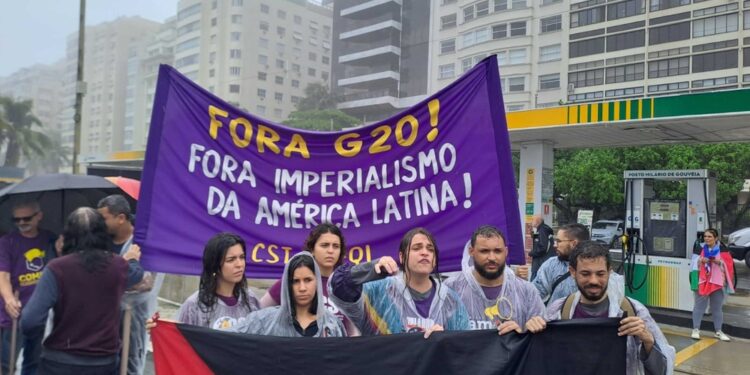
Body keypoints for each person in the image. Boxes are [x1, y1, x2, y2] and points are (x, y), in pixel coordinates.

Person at [20, 207, 144, 374]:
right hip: (103, 362)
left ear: (68, 235)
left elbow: (30, 321)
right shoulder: (117, 265)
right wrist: (133, 260)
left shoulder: (57, 268)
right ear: (103, 232)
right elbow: (136, 275)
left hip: (59, 361)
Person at [530, 241, 675, 375]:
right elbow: (541, 361)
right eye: (585, 274)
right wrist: (531, 331)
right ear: (573, 272)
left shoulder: (633, 311)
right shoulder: (559, 311)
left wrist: (648, 341)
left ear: (609, 272)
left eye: (600, 274)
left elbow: (661, 371)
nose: (594, 280)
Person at [329, 227, 469, 336]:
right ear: (401, 257)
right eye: (417, 248)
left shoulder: (451, 301)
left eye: (430, 249)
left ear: (435, 259)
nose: (425, 252)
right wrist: (371, 269)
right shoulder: (379, 291)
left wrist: (445, 339)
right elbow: (339, 287)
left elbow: (463, 349)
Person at [98, 194, 162, 375]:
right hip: (104, 317)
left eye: (104, 218)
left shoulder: (143, 243)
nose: (100, 223)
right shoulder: (100, 242)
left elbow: (146, 283)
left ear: (120, 218)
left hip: (134, 317)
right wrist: (124, 267)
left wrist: (112, 273)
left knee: (131, 363)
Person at [259, 223, 358, 335]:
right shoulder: (293, 280)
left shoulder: (344, 285)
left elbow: (353, 331)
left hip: (336, 350)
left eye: (336, 246)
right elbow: (259, 311)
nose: (331, 251)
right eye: (324, 245)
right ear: (312, 249)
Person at [445, 225, 544, 334]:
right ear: (471, 251)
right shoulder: (451, 288)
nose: (492, 257)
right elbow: (440, 336)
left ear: (506, 252)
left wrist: (521, 335)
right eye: (484, 251)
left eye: (497, 251)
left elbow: (542, 341)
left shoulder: (526, 291)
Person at [0, 201, 56, 374]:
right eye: (17, 220)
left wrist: (60, 248)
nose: (21, 223)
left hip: (42, 313)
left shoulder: (50, 238)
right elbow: (3, 275)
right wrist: (9, 299)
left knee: (34, 362)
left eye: (26, 218)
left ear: (39, 216)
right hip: (15, 312)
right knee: (8, 361)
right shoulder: (7, 241)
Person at [233, 252, 345, 337]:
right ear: (287, 284)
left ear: (317, 282)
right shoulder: (263, 321)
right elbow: (227, 339)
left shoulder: (333, 325)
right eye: (295, 281)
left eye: (307, 280)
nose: (302, 288)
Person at [176, 232, 260, 330]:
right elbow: (178, 340)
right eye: (231, 260)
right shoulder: (194, 306)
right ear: (215, 265)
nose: (239, 264)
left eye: (242, 257)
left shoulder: (251, 300)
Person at [533, 223, 624, 305]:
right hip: (557, 321)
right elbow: (534, 295)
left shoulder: (607, 272)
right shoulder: (551, 265)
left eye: (559, 241)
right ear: (572, 271)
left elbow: (615, 305)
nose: (555, 245)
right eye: (585, 273)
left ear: (573, 243)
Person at [690, 228, 734, 341]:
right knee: (699, 306)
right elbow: (693, 264)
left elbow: (728, 264)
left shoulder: (722, 249)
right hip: (702, 281)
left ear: (716, 238)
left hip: (717, 282)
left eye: (709, 236)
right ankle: (695, 329)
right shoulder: (699, 247)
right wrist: (700, 260)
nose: (707, 238)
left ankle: (718, 331)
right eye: (705, 236)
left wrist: (719, 262)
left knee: (717, 308)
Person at [529, 215, 554, 281]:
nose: (531, 222)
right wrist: (533, 235)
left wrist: (532, 253)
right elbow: (538, 240)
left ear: (537, 222)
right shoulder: (541, 229)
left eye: (532, 220)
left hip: (540, 263)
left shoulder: (542, 230)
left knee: (533, 285)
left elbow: (543, 247)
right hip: (540, 262)